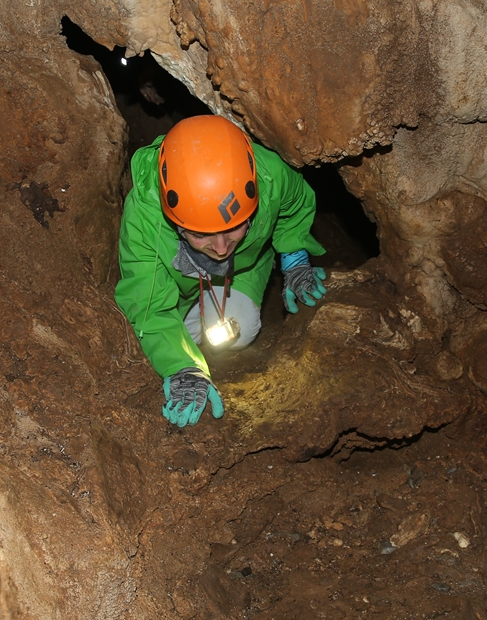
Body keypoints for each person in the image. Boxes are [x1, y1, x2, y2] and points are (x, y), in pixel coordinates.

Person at [115, 115, 329, 428]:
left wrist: (293, 256)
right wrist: (183, 367)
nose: (220, 247)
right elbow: (149, 310)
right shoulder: (144, 222)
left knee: (240, 329)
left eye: (234, 228)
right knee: (163, 348)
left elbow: (295, 206)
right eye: (201, 234)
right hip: (176, 286)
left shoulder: (270, 176)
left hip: (245, 267)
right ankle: (190, 322)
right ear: (173, 219)